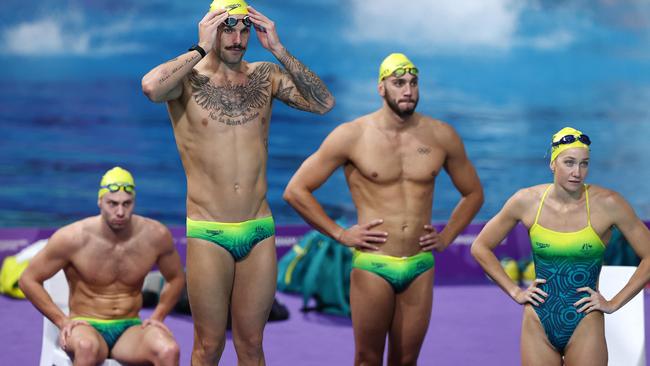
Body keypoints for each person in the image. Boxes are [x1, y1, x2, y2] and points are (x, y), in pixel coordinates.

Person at [141, 0, 335, 363]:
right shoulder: (187, 81)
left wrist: (278, 48)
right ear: (212, 28)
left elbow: (323, 103)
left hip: (259, 230)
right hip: (209, 230)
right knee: (208, 346)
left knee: (251, 345)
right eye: (229, 29)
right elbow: (151, 87)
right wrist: (199, 47)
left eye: (245, 30)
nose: (238, 38)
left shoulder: (265, 75)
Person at [283, 53, 484, 365]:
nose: (408, 90)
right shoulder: (352, 135)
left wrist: (447, 237)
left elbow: (473, 194)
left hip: (419, 266)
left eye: (413, 83)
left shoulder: (441, 135)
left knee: (406, 361)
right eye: (399, 83)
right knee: (367, 359)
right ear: (381, 88)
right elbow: (296, 190)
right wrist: (339, 233)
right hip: (374, 264)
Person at [471, 127, 650, 365]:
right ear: (553, 164)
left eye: (584, 164)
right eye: (569, 162)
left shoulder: (608, 204)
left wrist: (614, 303)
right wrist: (515, 291)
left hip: (585, 322)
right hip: (538, 321)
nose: (577, 172)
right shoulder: (526, 201)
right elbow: (480, 247)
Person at [19, 167, 185, 366]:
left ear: (134, 202)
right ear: (100, 202)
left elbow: (176, 277)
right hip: (86, 325)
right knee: (86, 348)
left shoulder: (155, 235)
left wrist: (159, 315)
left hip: (129, 328)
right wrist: (62, 320)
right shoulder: (72, 238)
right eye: (112, 204)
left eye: (127, 204)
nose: (120, 212)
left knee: (168, 350)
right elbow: (27, 279)